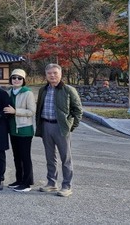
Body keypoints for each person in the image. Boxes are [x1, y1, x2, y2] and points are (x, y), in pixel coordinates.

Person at [36, 64, 82, 197]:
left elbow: (78, 111)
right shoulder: (43, 90)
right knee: (50, 157)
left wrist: (70, 126)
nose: (52, 75)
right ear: (46, 75)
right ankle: (51, 183)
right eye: (49, 73)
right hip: (46, 125)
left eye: (55, 73)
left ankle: (67, 185)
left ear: (60, 74)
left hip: (61, 127)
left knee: (65, 158)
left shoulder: (68, 90)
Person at [3, 69, 36, 192]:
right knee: (16, 156)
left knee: (25, 157)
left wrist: (16, 111)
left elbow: (32, 111)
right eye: (14, 77)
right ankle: (19, 179)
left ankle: (26, 183)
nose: (16, 80)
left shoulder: (28, 93)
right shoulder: (10, 92)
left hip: (24, 129)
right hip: (13, 129)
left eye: (19, 78)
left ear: (23, 80)